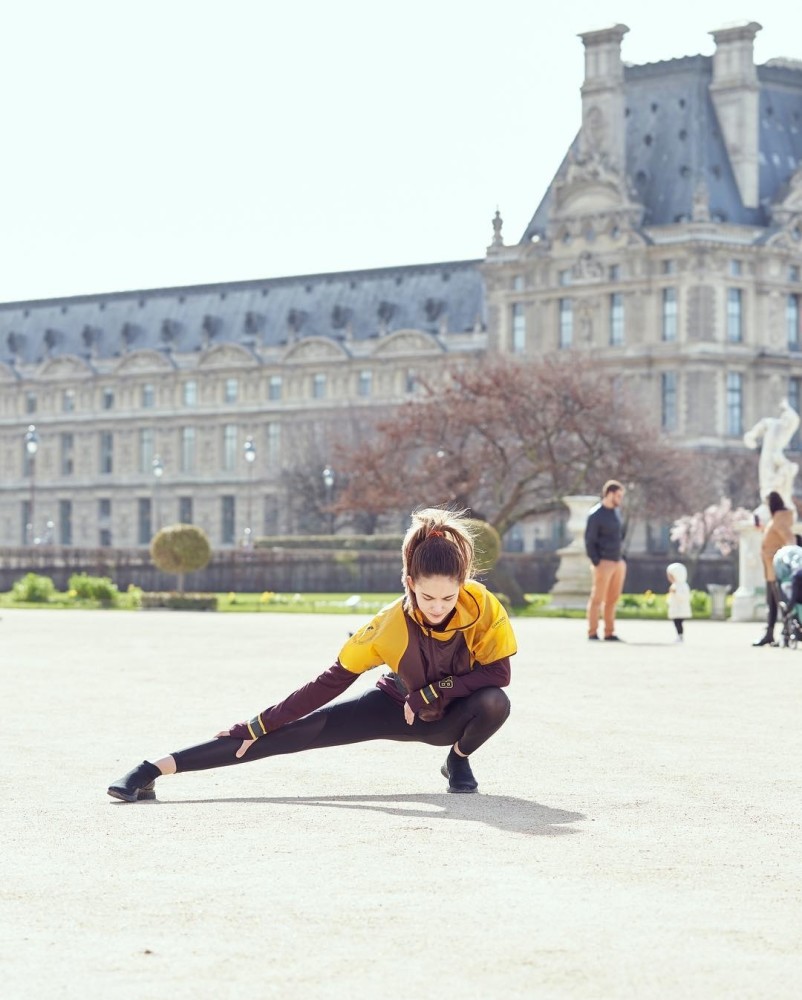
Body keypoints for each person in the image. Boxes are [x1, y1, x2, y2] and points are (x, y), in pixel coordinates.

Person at [108, 507, 517, 802]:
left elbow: (499, 674)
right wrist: (259, 723)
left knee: (496, 703)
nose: (438, 606)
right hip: (394, 706)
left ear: (463, 583)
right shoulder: (388, 625)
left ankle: (458, 760)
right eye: (427, 595)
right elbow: (331, 681)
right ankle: (153, 769)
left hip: (452, 717)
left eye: (448, 596)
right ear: (409, 582)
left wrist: (434, 692)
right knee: (288, 735)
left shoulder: (481, 605)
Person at [584, 479, 627, 641]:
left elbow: (620, 536)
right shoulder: (596, 515)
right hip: (603, 562)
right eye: (618, 496)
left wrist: (622, 558)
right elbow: (589, 540)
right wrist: (596, 561)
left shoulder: (616, 512)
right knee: (597, 598)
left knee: (612, 599)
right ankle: (592, 632)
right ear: (609, 494)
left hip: (618, 561)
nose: (620, 499)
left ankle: (609, 632)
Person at [753, 490, 796, 646]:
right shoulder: (776, 519)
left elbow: (789, 539)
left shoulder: (779, 520)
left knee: (780, 603)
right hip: (771, 569)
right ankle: (770, 634)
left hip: (776, 569)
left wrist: (783, 555)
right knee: (772, 603)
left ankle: (785, 632)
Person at [666, 561, 691, 643]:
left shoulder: (683, 585)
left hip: (680, 608)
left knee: (679, 622)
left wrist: (675, 592)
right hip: (675, 608)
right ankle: (679, 636)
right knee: (676, 622)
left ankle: (680, 636)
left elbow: (683, 597)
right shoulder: (675, 585)